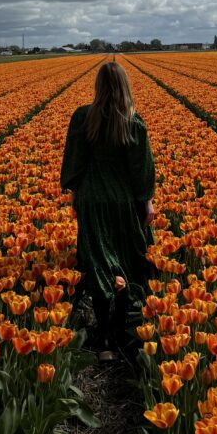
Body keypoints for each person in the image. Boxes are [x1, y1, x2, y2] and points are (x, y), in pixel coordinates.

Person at [61, 60, 155, 361]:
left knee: (98, 263)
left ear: (98, 87)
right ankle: (124, 331)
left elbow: (74, 160)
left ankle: (102, 339)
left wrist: (75, 191)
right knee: (127, 262)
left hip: (92, 199)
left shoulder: (82, 118)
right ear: (125, 87)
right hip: (122, 202)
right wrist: (146, 200)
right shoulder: (133, 122)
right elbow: (141, 170)